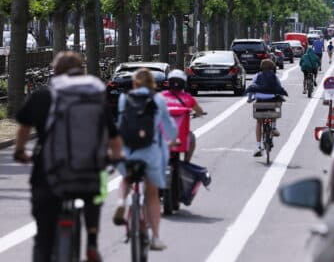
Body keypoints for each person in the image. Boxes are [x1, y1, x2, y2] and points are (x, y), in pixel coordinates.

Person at [14, 51, 123, 262]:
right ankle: (91, 243)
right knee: (95, 195)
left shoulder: (44, 95)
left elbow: (24, 128)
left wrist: (20, 151)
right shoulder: (94, 97)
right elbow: (114, 138)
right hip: (87, 173)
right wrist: (115, 158)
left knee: (43, 237)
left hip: (49, 174)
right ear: (81, 70)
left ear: (54, 71)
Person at [113, 68, 177, 251]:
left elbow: (120, 123)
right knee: (152, 194)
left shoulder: (124, 99)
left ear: (134, 83)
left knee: (126, 178)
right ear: (152, 84)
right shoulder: (158, 99)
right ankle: (156, 237)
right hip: (150, 152)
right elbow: (169, 127)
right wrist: (172, 140)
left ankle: (120, 203)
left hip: (128, 150)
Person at [245, 59, 288, 157]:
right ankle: (273, 127)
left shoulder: (257, 76)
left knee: (259, 122)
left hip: (260, 101)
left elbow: (252, 87)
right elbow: (279, 88)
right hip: (271, 101)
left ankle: (258, 146)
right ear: (272, 68)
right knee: (276, 105)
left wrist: (250, 99)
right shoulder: (274, 76)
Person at [162, 69, 205, 162]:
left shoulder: (161, 96)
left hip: (164, 134)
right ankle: (187, 161)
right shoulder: (188, 98)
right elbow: (199, 111)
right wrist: (198, 114)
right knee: (191, 138)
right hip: (181, 135)